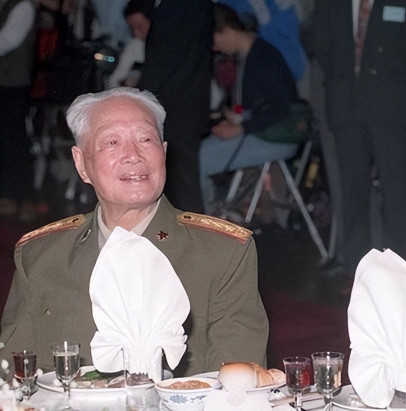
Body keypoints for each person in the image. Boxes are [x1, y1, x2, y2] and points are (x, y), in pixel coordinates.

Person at [0, 87, 269, 377]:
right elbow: (12, 380)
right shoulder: (41, 256)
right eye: (112, 142)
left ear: (163, 153)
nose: (133, 156)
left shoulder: (222, 253)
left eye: (145, 139)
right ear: (81, 164)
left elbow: (240, 386)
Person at [313, 0, 406, 274]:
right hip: (346, 103)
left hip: (389, 104)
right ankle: (356, 267)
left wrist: (393, 85)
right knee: (351, 190)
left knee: (396, 189)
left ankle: (401, 269)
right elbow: (321, 44)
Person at [199, 4, 299, 214]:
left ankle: (203, 218)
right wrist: (229, 117)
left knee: (202, 158)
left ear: (225, 30)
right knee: (199, 151)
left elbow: (282, 109)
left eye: (214, 41)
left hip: (277, 136)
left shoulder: (264, 58)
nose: (215, 48)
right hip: (261, 131)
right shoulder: (248, 55)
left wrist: (241, 128)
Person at [138, 0, 213, 214]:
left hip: (175, 107)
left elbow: (165, 59)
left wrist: (143, 97)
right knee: (179, 181)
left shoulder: (179, 5)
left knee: (181, 184)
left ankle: (188, 232)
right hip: (182, 105)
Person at [0, 0, 37, 222]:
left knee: (14, 140)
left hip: (12, 83)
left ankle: (22, 197)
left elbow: (7, 41)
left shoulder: (23, 6)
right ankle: (7, 194)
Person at [105, 0, 154, 89]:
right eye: (132, 28)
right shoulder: (135, 46)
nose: (136, 33)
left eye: (140, 27)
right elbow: (113, 82)